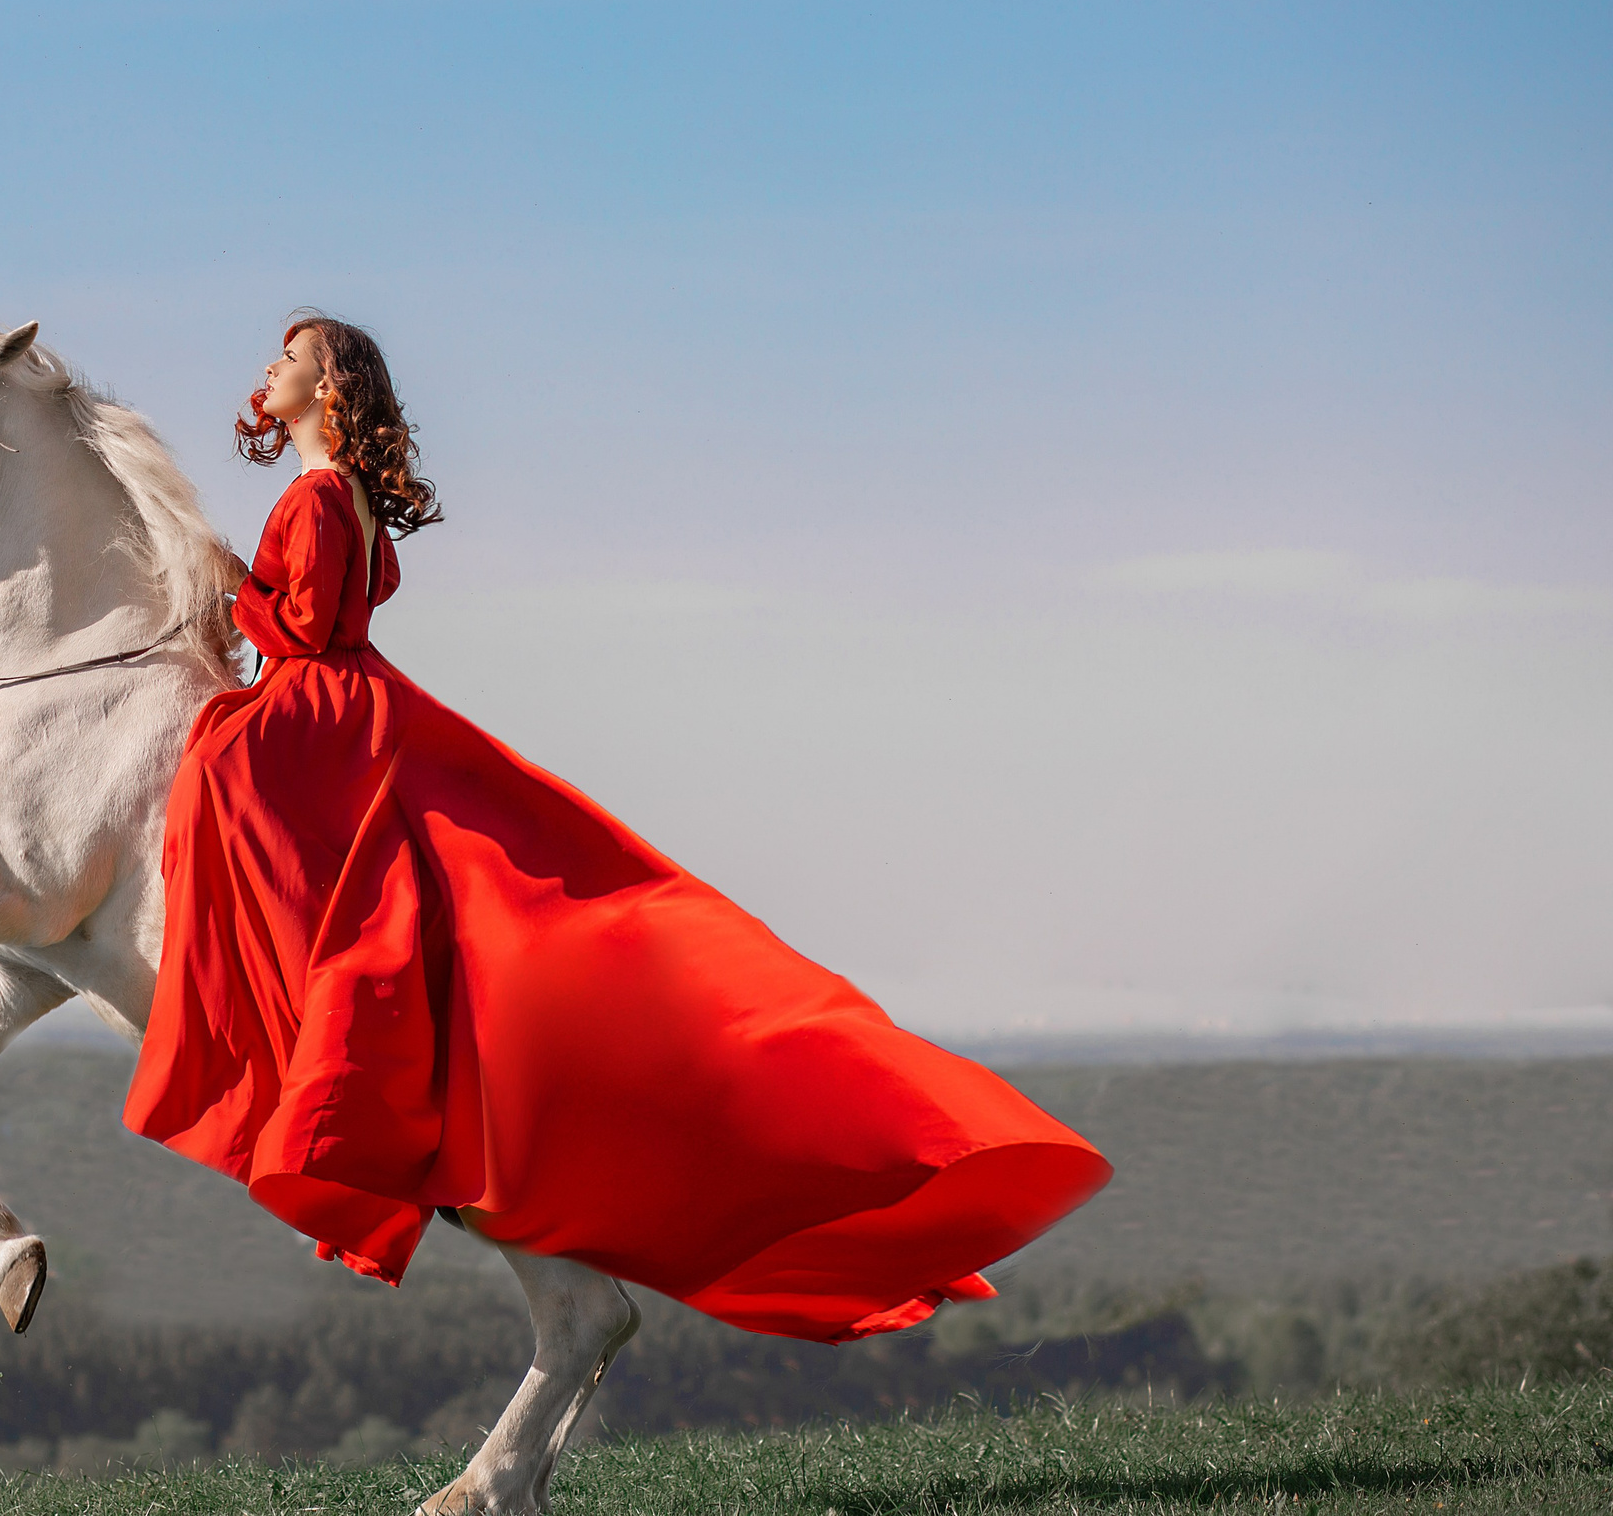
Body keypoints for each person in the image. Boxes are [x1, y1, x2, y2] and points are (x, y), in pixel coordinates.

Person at [123, 316, 1109, 1342]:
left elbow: (306, 628)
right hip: (358, 702)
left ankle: (282, 1008)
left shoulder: (322, 496)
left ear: (329, 387)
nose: (268, 367)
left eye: (289, 357)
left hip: (321, 704)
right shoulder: (339, 496)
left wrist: (228, 582)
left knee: (222, 770)